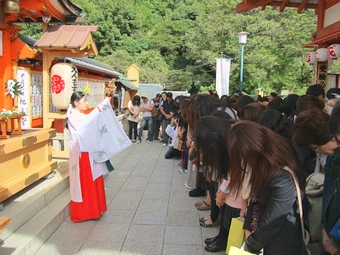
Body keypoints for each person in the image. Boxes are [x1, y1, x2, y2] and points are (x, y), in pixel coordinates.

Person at [227, 121, 308, 255]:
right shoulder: (264, 166)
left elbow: (274, 219)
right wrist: (248, 228)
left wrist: (251, 245)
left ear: (255, 149)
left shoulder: (283, 176)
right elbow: (254, 200)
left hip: (280, 242)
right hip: (261, 236)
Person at [65, 91, 132, 223]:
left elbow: (89, 123)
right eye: (84, 101)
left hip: (88, 153)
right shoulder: (73, 116)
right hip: (82, 155)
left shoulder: (79, 114)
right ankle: (85, 213)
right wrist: (99, 109)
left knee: (93, 181)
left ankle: (95, 210)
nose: (86, 103)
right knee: (86, 184)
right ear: (76, 102)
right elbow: (86, 125)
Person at [292, 105, 340, 255]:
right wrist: (324, 228)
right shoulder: (333, 159)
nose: (318, 152)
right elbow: (328, 192)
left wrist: (337, 240)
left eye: (316, 148)